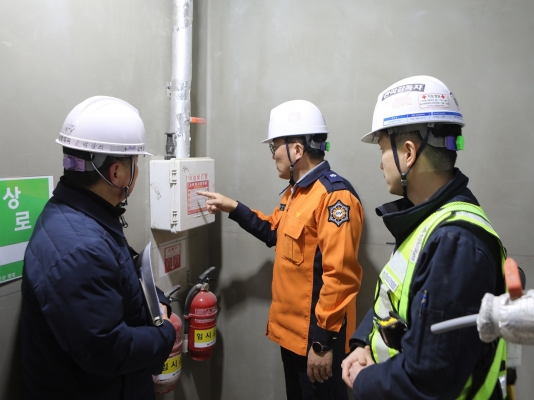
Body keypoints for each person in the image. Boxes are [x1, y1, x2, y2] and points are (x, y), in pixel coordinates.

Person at [341, 76, 508, 399]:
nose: (380, 163)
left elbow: (429, 380)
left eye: (382, 149)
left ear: (408, 153)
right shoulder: (429, 222)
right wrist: (364, 344)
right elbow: (395, 301)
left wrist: (364, 379)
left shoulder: (455, 245)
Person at [199, 100, 363, 399]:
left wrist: (322, 344)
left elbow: (340, 277)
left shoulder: (334, 197)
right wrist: (233, 207)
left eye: (275, 146)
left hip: (316, 340)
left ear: (297, 150)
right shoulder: (296, 192)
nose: (273, 154)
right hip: (292, 337)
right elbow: (274, 230)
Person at [21, 96, 176, 399]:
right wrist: (166, 332)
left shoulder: (78, 215)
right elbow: (106, 349)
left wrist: (157, 302)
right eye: (135, 163)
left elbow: (121, 272)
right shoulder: (81, 247)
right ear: (116, 173)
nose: (137, 171)